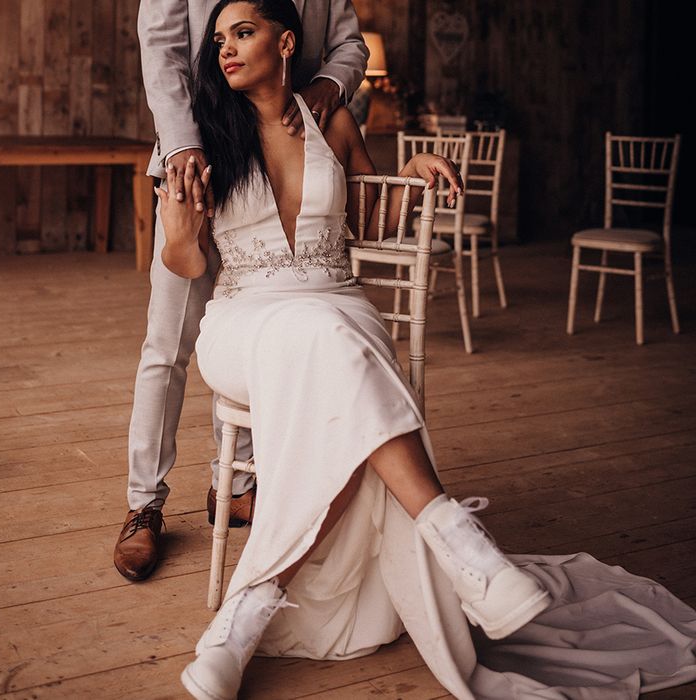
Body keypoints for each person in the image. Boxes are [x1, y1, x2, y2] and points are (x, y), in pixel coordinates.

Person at [157, 2, 696, 699]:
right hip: (246, 320)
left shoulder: (334, 121)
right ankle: (460, 542)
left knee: (336, 350)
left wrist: (410, 172)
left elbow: (370, 220)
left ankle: (245, 616)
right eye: (220, 39)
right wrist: (177, 227)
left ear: (285, 41)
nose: (226, 48)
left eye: (244, 32)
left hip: (337, 306)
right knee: (334, 346)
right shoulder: (205, 135)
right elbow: (189, 265)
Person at [115, 0, 369, 581]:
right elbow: (163, 49)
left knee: (268, 322)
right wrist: (182, 147)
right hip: (202, 156)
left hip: (288, 156)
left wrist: (329, 86)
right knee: (168, 343)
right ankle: (144, 504)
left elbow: (350, 46)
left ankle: (235, 487)